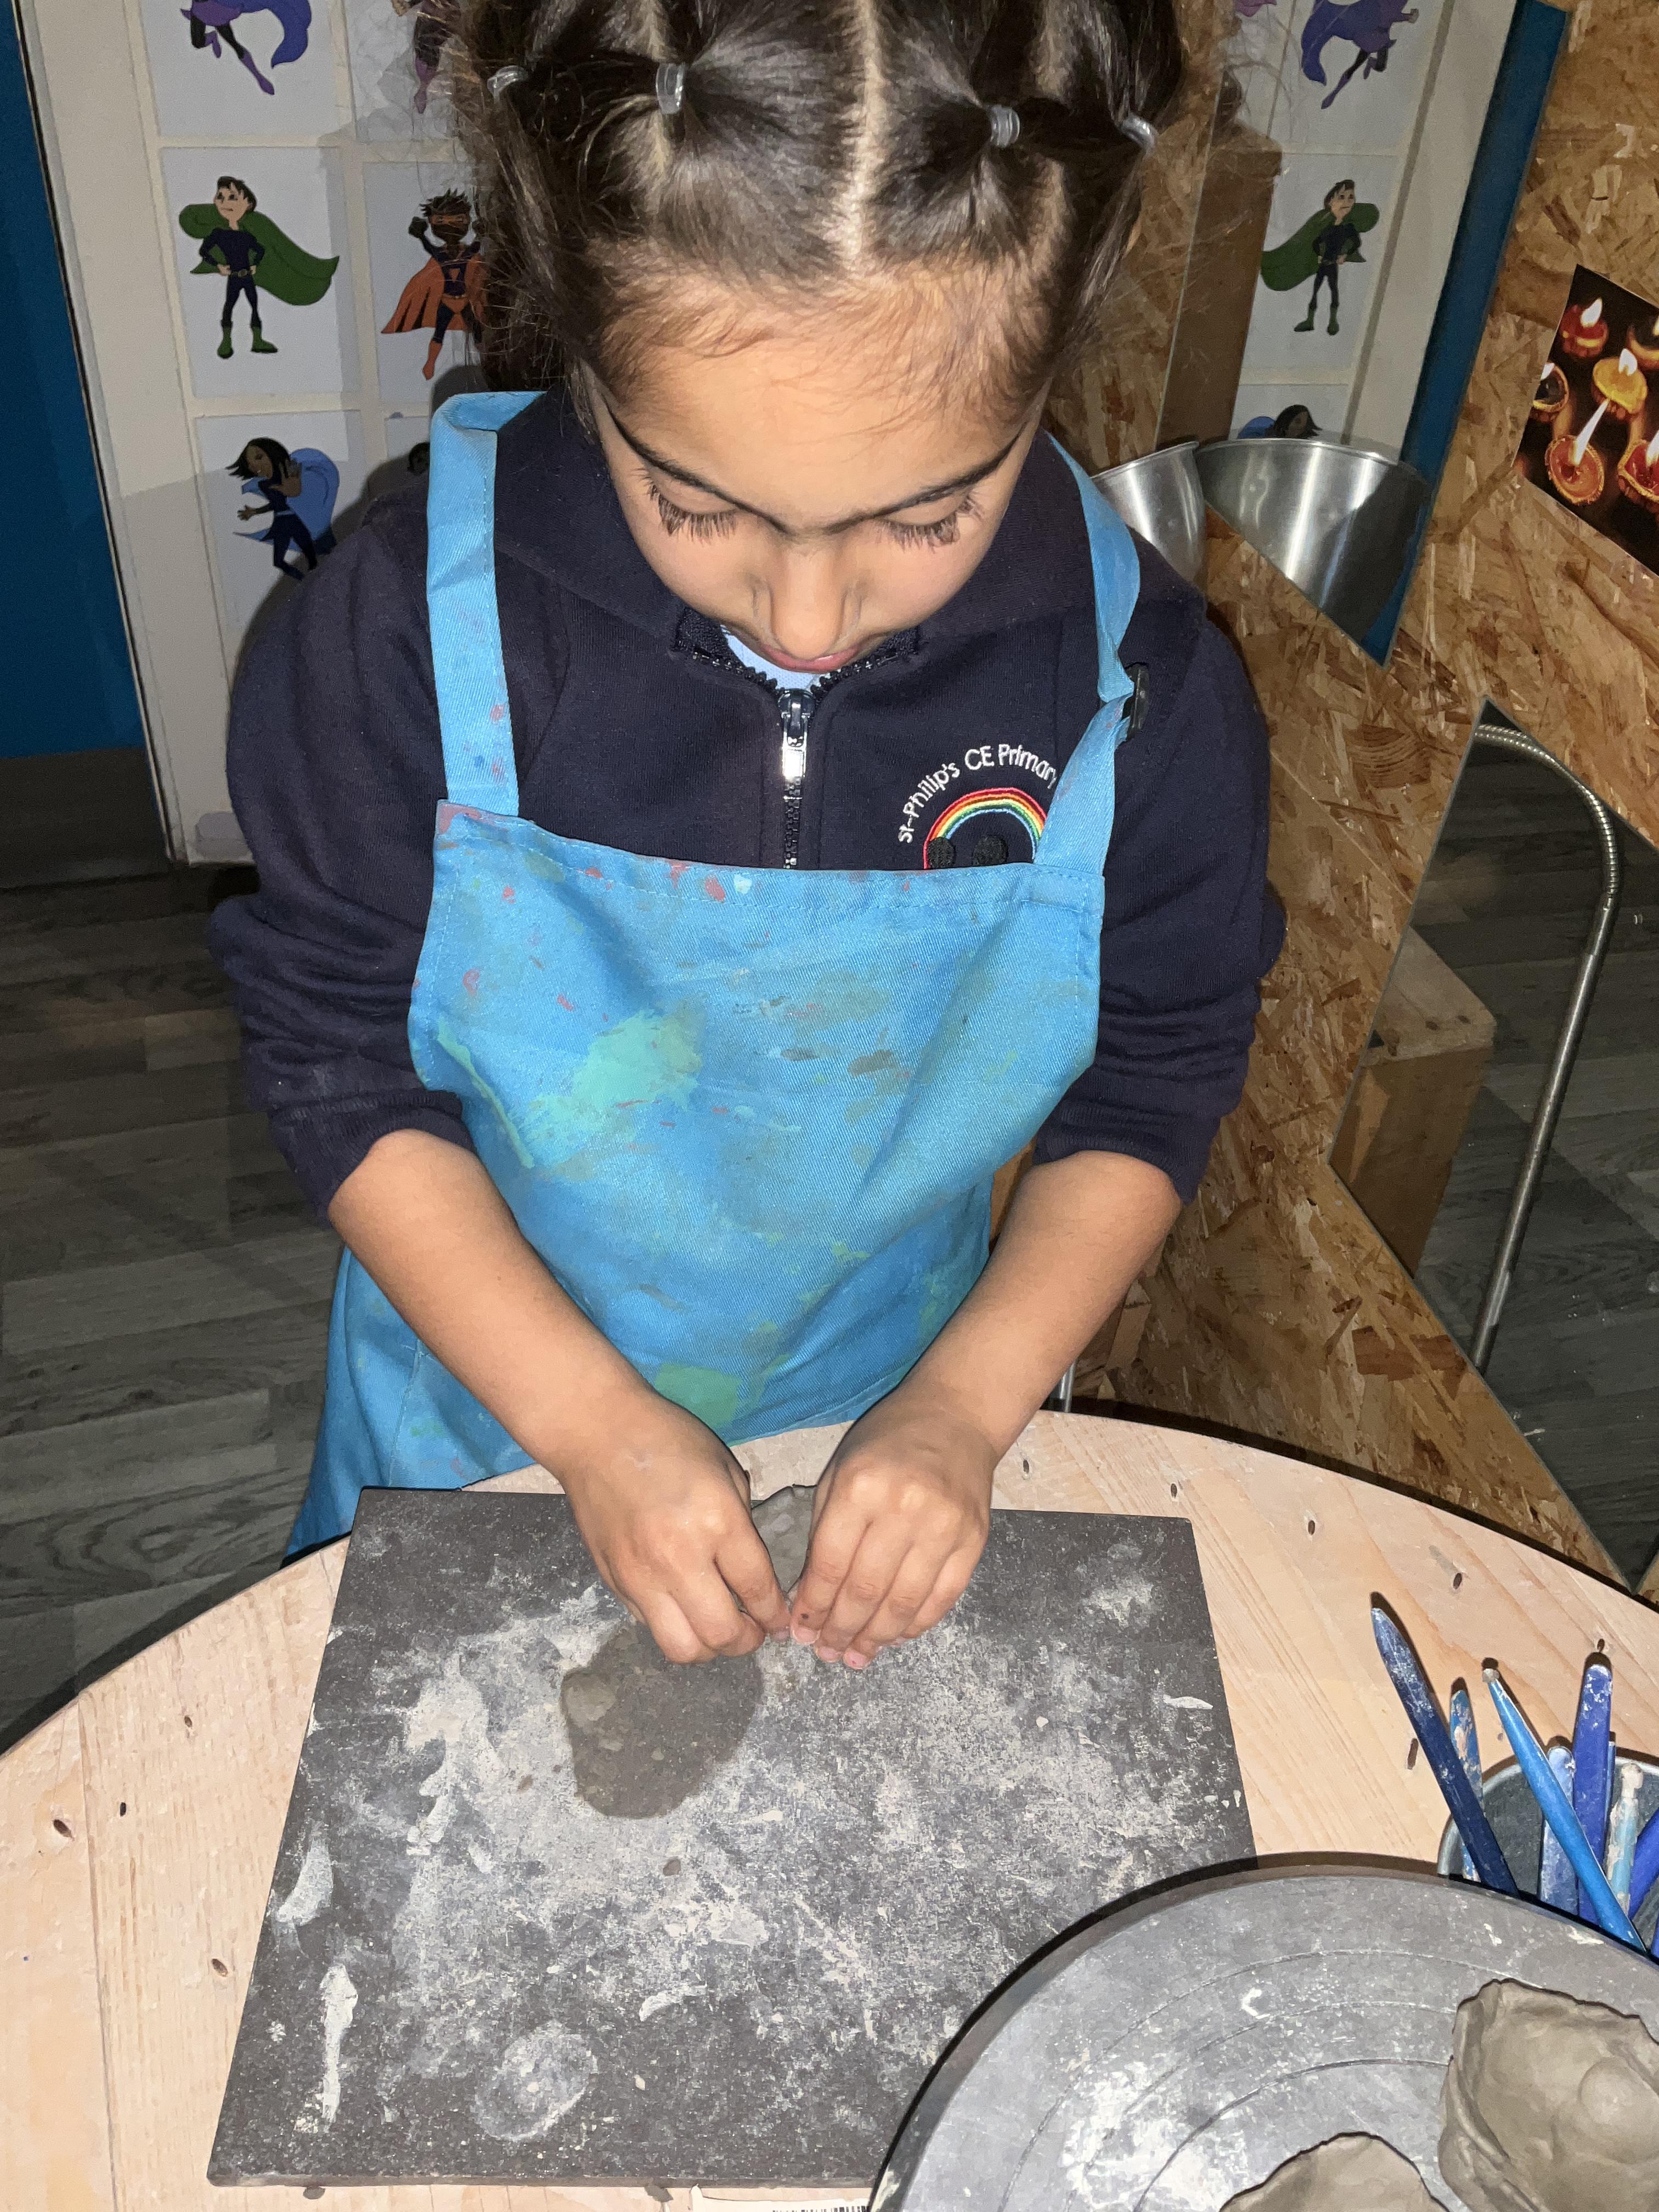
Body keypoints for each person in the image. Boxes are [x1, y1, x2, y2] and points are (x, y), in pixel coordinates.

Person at [212, 0, 1283, 1677]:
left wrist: (964, 1408)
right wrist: (586, 1423)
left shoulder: (1136, 696)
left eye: (925, 515)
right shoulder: (402, 634)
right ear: (584, 339)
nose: (805, 619)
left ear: (1053, 357)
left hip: (884, 1435)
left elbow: (1154, 1072)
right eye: (701, 504)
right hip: (479, 1417)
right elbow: (337, 1059)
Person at [382, 189, 486, 380]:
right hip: (448, 301)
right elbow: (430, 247)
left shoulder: (465, 253)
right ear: (432, 222)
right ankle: (430, 364)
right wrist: (421, 236)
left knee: (477, 333)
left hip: (463, 301)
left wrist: (481, 234)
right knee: (441, 333)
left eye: (458, 220)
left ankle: (486, 362)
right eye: (441, 221)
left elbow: (475, 248)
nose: (450, 225)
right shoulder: (443, 255)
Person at [197, 176, 277, 357]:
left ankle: (257, 340)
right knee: (229, 307)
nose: (225, 202)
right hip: (234, 275)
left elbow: (260, 250)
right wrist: (218, 265)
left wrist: (255, 264)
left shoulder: (246, 235)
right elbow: (204, 251)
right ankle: (226, 341)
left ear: (247, 204)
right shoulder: (219, 234)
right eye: (220, 197)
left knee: (254, 306)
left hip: (247, 275)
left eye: (232, 197)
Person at [1295, 179, 1361, 336]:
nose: (1346, 202)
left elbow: (1356, 243)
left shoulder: (1348, 228)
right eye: (1342, 197)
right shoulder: (1327, 227)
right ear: (1331, 201)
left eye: (1351, 197)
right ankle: (1310, 320)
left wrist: (1345, 255)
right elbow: (1316, 242)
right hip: (1323, 263)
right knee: (1316, 290)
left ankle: (1333, 321)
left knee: (1333, 290)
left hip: (1333, 264)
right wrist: (1319, 255)